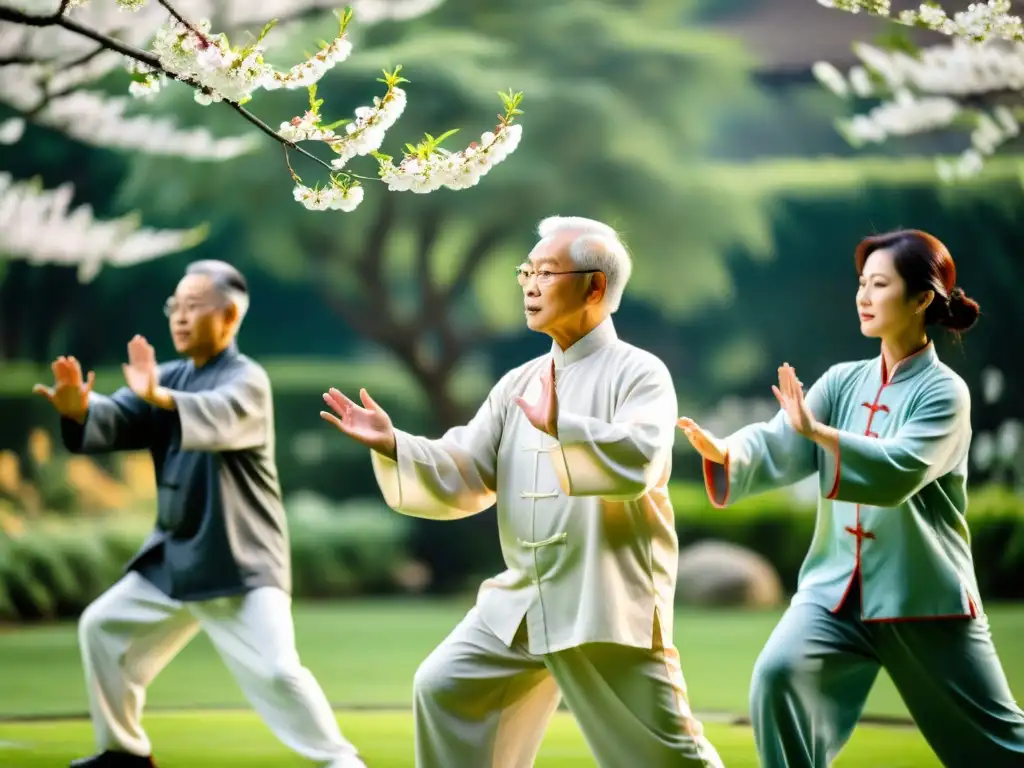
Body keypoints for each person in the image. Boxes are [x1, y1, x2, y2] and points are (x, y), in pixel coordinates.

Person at [319, 216, 724, 768]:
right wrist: (395, 444)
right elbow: (467, 465)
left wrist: (566, 427)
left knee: (666, 756)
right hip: (521, 600)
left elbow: (641, 460)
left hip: (602, 600)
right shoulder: (520, 380)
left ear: (596, 286)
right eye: (526, 271)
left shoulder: (640, 373)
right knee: (445, 688)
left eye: (546, 271)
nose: (530, 284)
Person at [678, 229, 1024, 768]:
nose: (863, 296)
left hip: (923, 600)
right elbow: (781, 439)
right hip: (834, 592)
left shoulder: (945, 392)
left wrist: (821, 434)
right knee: (778, 677)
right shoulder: (842, 381)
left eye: (879, 284)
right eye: (861, 284)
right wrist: (725, 450)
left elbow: (900, 470)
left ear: (922, 298)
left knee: (997, 746)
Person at [33, 260, 366, 768]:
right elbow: (119, 416)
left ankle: (342, 762)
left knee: (278, 671)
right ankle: (124, 753)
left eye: (194, 307)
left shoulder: (247, 380)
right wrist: (80, 409)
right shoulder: (167, 376)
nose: (180, 318)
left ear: (229, 317)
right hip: (175, 557)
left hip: (239, 560)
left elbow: (214, 416)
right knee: (102, 627)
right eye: (176, 307)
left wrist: (157, 397)